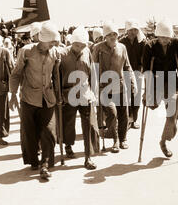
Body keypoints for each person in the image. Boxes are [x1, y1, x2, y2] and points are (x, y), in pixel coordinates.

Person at [9, 22, 60, 180]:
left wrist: (59, 95)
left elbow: (56, 75)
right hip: (29, 98)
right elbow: (16, 73)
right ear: (43, 39)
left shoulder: (55, 52)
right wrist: (12, 95)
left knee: (49, 131)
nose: (54, 44)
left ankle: (45, 164)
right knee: (30, 133)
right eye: (51, 41)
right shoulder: (26, 51)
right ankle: (34, 161)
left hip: (48, 98)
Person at [142, 20, 178, 157]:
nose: (165, 40)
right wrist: (146, 91)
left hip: (172, 81)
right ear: (157, 36)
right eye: (162, 38)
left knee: (173, 114)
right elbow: (146, 70)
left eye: (167, 37)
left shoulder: (176, 43)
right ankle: (151, 102)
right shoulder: (149, 46)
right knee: (153, 105)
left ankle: (163, 141)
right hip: (156, 81)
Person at [58, 26, 99, 170]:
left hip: (85, 93)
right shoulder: (62, 54)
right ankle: (68, 145)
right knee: (68, 123)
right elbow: (57, 76)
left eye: (82, 45)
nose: (79, 48)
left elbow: (93, 73)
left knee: (88, 125)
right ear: (71, 42)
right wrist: (59, 95)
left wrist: (95, 93)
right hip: (67, 94)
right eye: (77, 45)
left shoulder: (87, 52)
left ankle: (88, 157)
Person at [92, 22, 137, 153]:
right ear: (105, 36)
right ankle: (115, 140)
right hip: (104, 88)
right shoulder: (98, 48)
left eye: (115, 34)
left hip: (120, 86)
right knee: (112, 113)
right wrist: (94, 87)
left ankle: (123, 139)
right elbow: (94, 68)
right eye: (110, 34)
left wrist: (133, 82)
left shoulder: (122, 48)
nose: (113, 37)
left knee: (124, 114)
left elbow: (127, 67)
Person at [119, 19, 147, 129]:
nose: (133, 32)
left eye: (135, 30)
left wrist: (142, 68)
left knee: (136, 96)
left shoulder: (141, 42)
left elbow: (144, 57)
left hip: (137, 72)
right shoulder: (121, 42)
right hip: (124, 72)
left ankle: (134, 119)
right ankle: (127, 119)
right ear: (127, 30)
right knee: (126, 97)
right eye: (131, 30)